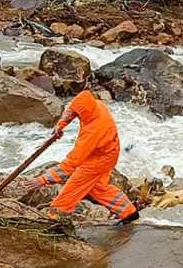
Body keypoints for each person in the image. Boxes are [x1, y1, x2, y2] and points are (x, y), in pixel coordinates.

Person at [24, 90, 139, 224]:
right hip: (107, 151)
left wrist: (44, 179)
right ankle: (129, 213)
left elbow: (72, 163)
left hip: (101, 158)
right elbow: (73, 109)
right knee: (98, 188)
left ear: (85, 113)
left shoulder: (93, 130)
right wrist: (60, 125)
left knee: (72, 188)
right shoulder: (96, 105)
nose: (76, 116)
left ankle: (55, 218)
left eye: (79, 115)